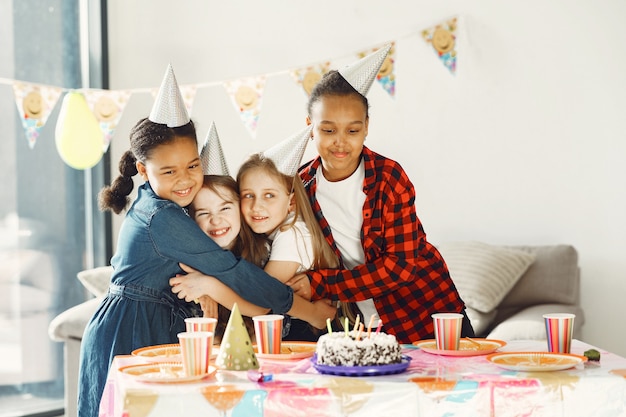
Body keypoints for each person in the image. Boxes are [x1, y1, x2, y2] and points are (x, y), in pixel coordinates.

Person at [77, 66, 334, 417]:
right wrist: (309, 311)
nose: (185, 180)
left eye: (192, 166)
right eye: (169, 171)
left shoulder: (170, 206)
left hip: (151, 321)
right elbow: (232, 271)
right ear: (142, 170)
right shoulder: (162, 217)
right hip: (131, 328)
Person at [289, 45, 474, 344]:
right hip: (361, 325)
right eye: (328, 130)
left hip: (426, 315)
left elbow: (398, 268)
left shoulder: (389, 178)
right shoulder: (300, 187)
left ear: (366, 129)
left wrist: (319, 284)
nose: (340, 143)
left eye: (352, 130)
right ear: (310, 128)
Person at [171, 126, 340, 342]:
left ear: (291, 202)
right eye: (248, 196)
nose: (257, 206)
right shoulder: (256, 237)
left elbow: (261, 299)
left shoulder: (293, 234)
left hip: (314, 336)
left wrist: (208, 286)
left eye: (269, 195)